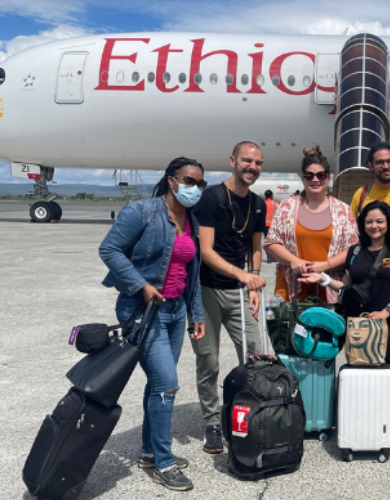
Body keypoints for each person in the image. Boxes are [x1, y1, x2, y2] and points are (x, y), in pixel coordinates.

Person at [99, 157, 207, 491]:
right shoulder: (141, 211)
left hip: (174, 313)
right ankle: (163, 462)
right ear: (172, 180)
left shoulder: (192, 221)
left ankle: (148, 451)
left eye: (200, 184)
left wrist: (196, 313)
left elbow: (192, 273)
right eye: (189, 181)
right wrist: (141, 285)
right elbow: (110, 249)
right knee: (168, 385)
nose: (195, 188)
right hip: (142, 312)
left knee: (158, 386)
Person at [299, 200, 390, 453]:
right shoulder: (354, 253)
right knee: (360, 375)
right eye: (369, 221)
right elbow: (348, 288)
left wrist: (386, 312)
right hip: (360, 327)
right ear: (363, 225)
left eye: (379, 221)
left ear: (388, 224)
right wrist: (323, 279)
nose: (374, 226)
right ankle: (364, 425)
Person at [190, 141, 267, 455]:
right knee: (208, 360)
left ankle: (247, 414)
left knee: (256, 357)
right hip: (207, 291)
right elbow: (205, 252)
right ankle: (211, 421)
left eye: (258, 162)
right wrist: (243, 275)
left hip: (239, 293)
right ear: (233, 161)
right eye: (247, 161)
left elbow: (256, 248)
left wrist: (254, 284)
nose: (253, 167)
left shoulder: (258, 204)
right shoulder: (212, 198)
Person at [265, 145, 357, 304]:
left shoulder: (343, 210)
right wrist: (293, 261)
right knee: (290, 327)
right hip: (291, 284)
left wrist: (325, 265)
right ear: (303, 179)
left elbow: (352, 248)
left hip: (329, 285)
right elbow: (272, 242)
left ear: (328, 178)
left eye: (320, 175)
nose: (315, 179)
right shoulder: (287, 207)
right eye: (309, 175)